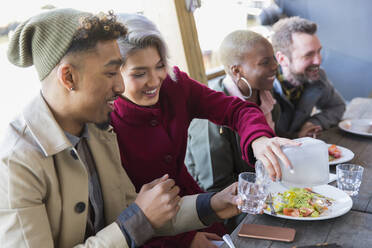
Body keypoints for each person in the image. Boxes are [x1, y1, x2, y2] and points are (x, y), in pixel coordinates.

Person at [0, 8, 243, 248]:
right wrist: (136, 221)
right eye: (110, 73)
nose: (119, 86)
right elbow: (137, 219)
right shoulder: (16, 163)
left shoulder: (98, 132)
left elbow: (139, 211)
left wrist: (211, 204)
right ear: (69, 78)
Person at [110, 14, 297, 247]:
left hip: (200, 208)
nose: (155, 80)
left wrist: (258, 138)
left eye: (159, 66)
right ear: (113, 75)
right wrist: (184, 241)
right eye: (139, 73)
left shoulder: (175, 84)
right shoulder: (104, 124)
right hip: (153, 236)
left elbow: (236, 109)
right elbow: (120, 218)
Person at [185, 30, 279, 194]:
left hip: (269, 189)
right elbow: (215, 187)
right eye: (265, 62)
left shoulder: (268, 96)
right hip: (237, 206)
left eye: (274, 59)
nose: (275, 66)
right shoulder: (210, 119)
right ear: (237, 71)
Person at [271, 16, 346, 138]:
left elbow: (337, 106)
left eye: (319, 52)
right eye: (308, 55)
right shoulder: (262, 87)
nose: (318, 61)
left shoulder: (317, 77)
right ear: (282, 59)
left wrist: (312, 123)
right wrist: (297, 136)